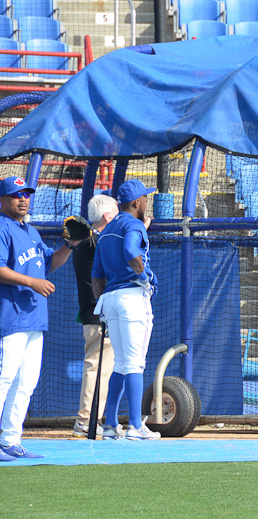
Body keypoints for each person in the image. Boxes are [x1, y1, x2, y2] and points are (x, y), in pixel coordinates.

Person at [0, 176, 82, 459]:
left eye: (26, 194)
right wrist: (32, 283)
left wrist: (69, 246)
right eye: (16, 195)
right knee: (4, 379)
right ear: (3, 200)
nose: (23, 199)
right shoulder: (1, 227)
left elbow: (49, 263)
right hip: (10, 319)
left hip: (35, 319)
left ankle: (10, 440)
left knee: (26, 383)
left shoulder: (31, 232)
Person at [91, 180, 161, 440]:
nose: (146, 202)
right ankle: (135, 425)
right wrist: (144, 278)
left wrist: (102, 308)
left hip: (109, 298)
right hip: (132, 296)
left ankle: (110, 424)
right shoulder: (132, 224)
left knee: (121, 363)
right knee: (134, 363)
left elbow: (97, 276)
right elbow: (131, 251)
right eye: (144, 199)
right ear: (136, 203)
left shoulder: (107, 231)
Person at [71, 194, 120, 438]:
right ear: (106, 216)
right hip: (98, 317)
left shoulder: (91, 241)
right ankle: (86, 421)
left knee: (102, 368)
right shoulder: (94, 241)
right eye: (117, 212)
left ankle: (91, 420)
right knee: (96, 368)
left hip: (96, 315)